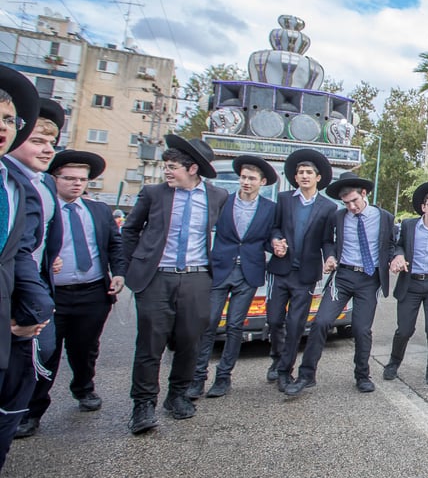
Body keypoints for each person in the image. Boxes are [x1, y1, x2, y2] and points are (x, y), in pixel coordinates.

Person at [122, 136, 229, 434]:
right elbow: (129, 231)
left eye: (172, 167)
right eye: (165, 166)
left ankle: (177, 395)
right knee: (150, 345)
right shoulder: (153, 194)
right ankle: (142, 405)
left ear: (192, 168)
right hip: (157, 278)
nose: (167, 172)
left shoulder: (217, 196)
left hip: (196, 278)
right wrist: (134, 267)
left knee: (189, 342)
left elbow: (228, 235)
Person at [22, 151, 123, 433]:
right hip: (53, 294)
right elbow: (25, 246)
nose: (77, 184)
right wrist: (44, 262)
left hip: (93, 293)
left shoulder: (99, 211)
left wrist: (118, 273)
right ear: (54, 179)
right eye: (69, 178)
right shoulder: (41, 209)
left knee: (85, 348)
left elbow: (115, 245)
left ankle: (84, 388)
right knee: (46, 352)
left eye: (82, 179)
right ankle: (33, 410)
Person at [284, 173, 398, 396]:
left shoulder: (384, 217)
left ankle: (362, 376)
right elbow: (327, 241)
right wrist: (329, 256)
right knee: (320, 322)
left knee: (361, 329)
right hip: (343, 276)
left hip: (369, 278)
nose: (352, 207)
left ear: (364, 194)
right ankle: (306, 375)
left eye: (354, 201)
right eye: (346, 203)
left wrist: (396, 258)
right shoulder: (338, 217)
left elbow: (392, 245)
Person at [0, 67, 49, 478]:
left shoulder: (15, 186)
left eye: (9, 119)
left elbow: (16, 254)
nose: (3, 125)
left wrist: (34, 306)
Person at [188, 155, 278, 399]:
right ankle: (197, 378)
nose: (246, 182)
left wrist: (276, 244)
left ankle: (223, 376)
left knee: (235, 325)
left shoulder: (270, 209)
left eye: (252, 178)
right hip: (221, 268)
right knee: (209, 323)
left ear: (262, 182)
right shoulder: (223, 202)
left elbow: (269, 238)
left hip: (248, 273)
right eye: (243, 177)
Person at [5, 99, 65, 443]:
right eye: (38, 141)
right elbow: (17, 250)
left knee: (34, 364)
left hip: (34, 292)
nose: (47, 150)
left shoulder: (42, 185)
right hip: (18, 296)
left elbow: (38, 243)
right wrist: (36, 304)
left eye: (51, 144)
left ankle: (25, 412)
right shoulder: (10, 180)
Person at [267, 149, 337, 387]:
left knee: (295, 324)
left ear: (318, 178)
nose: (304, 176)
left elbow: (328, 240)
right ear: (295, 178)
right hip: (281, 271)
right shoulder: (285, 199)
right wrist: (276, 242)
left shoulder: (328, 207)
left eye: (309, 172)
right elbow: (275, 228)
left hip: (305, 275)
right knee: (274, 320)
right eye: (300, 173)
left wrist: (329, 258)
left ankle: (285, 371)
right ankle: (277, 358)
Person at [383, 181, 428, 387]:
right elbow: (397, 247)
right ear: (423, 207)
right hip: (411, 284)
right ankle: (393, 363)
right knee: (404, 330)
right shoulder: (409, 226)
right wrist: (397, 257)